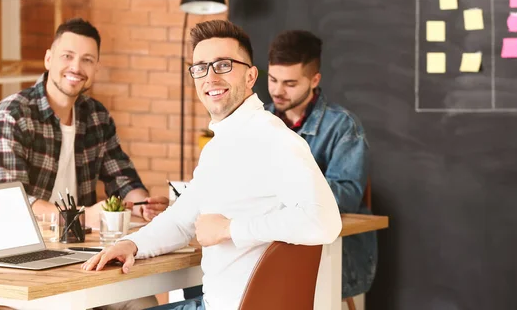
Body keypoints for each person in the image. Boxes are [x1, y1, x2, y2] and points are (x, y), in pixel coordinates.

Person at [82, 20, 342, 310]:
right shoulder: (220, 146)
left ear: (251, 76)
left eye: (223, 65)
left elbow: (325, 220)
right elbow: (182, 219)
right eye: (200, 68)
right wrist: (131, 245)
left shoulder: (272, 138)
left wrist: (229, 229)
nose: (210, 77)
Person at [0, 18, 169, 310]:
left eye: (87, 60)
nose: (76, 67)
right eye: (68, 56)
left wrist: (143, 205)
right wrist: (83, 217)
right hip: (18, 263)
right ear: (48, 58)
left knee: (143, 302)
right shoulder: (12, 116)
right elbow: (11, 204)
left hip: (78, 256)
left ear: (95, 69)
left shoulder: (95, 116)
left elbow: (123, 178)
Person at [266, 30, 378, 302]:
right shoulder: (259, 122)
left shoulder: (343, 127)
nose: (278, 91)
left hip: (334, 255)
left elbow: (344, 198)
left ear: (314, 80)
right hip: (269, 244)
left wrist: (276, 187)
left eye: (290, 83)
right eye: (272, 80)